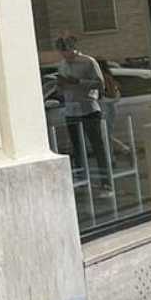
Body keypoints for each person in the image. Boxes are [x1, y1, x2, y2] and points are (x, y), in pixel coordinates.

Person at [55, 36, 112, 195]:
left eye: (67, 50)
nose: (65, 55)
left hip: (89, 108)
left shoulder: (88, 62)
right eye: (62, 52)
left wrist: (78, 82)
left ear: (74, 48)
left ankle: (106, 184)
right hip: (71, 109)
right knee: (77, 148)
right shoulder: (62, 65)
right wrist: (61, 85)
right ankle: (81, 179)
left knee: (97, 146)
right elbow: (62, 87)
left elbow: (100, 83)